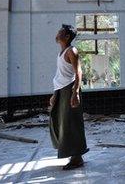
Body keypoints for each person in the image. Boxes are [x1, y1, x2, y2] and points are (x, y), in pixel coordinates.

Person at [49, 24, 88, 170]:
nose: (57, 34)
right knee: (59, 122)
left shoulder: (72, 50)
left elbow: (78, 72)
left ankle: (77, 158)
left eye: (60, 32)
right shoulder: (62, 52)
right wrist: (55, 94)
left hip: (69, 90)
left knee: (72, 124)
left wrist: (75, 92)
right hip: (61, 90)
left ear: (66, 36)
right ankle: (73, 154)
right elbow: (60, 76)